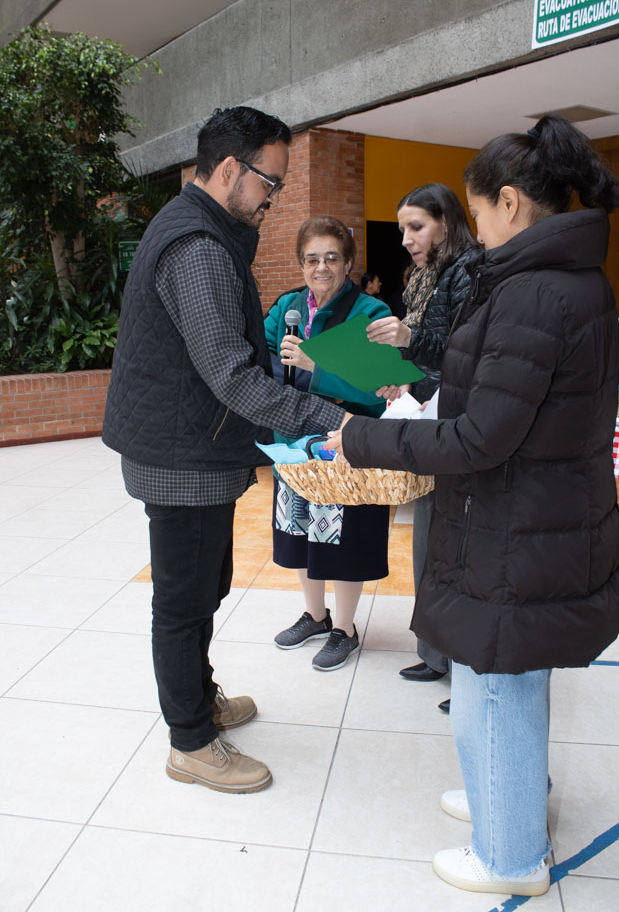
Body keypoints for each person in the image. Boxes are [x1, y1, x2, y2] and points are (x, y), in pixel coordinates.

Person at [326, 115, 619, 896]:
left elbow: (480, 439)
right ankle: (513, 794)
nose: (474, 227)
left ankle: (510, 854)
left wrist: (363, 438)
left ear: (512, 204)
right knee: (511, 677)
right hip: (539, 512)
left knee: (494, 681)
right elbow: (506, 400)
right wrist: (427, 392)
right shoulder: (570, 281)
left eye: (477, 210)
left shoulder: (534, 294)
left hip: (515, 522)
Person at [102, 107, 347, 794]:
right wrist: (330, 419)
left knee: (204, 588)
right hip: (180, 456)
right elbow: (232, 373)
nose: (274, 197)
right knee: (183, 602)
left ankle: (198, 698)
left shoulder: (200, 226)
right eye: (271, 181)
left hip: (192, 447)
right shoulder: (200, 247)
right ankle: (189, 741)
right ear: (232, 170)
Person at [366, 185, 479, 704]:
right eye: (402, 230)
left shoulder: (470, 272)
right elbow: (433, 363)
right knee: (429, 543)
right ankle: (435, 654)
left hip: (460, 429)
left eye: (417, 227)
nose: (407, 239)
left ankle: (473, 672)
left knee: (457, 551)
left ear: (448, 222)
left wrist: (409, 346)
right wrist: (405, 381)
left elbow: (464, 355)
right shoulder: (425, 279)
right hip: (433, 420)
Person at [264, 216, 392, 670]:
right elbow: (262, 362)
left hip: (346, 444)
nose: (321, 268)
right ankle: (316, 616)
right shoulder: (286, 309)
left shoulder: (369, 313)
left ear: (349, 263)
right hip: (294, 445)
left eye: (331, 258)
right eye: (312, 259)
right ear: (301, 265)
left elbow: (381, 382)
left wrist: (316, 366)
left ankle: (346, 627)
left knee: (345, 537)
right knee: (300, 531)